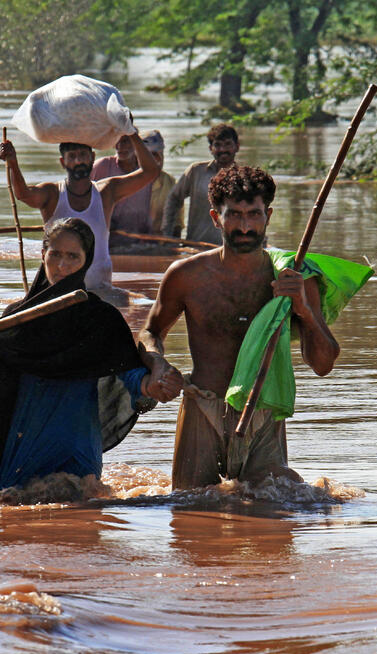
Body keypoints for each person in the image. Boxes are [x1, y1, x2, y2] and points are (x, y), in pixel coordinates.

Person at [139, 165, 341, 490]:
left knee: (279, 511)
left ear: (268, 216)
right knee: (190, 512)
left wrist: (302, 308)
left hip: (263, 410)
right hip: (202, 406)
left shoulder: (294, 277)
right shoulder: (186, 276)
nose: (245, 226)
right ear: (216, 217)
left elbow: (323, 364)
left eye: (254, 214)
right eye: (234, 214)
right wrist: (157, 363)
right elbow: (150, 333)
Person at [0, 218, 181, 508]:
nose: (62, 265)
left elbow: (128, 374)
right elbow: (0, 380)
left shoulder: (101, 319)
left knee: (79, 520)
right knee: (11, 519)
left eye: (73, 256)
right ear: (42, 255)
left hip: (76, 445)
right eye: (56, 254)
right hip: (23, 442)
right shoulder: (15, 318)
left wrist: (153, 385)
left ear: (87, 261)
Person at [0, 128, 159, 290]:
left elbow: (150, 171)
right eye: (72, 156)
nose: (78, 161)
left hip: (99, 291)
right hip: (58, 291)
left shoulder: (106, 192)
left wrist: (130, 132)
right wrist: (13, 163)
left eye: (83, 155)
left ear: (92, 158)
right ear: (62, 162)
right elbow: (24, 194)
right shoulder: (52, 193)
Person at [163, 123, 240, 245]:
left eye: (227, 144)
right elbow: (174, 198)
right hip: (196, 247)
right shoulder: (196, 171)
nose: (223, 150)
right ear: (210, 149)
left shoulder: (244, 178)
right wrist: (168, 235)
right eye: (217, 145)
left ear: (237, 147)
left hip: (231, 250)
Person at [90, 133, 158, 251]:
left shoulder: (145, 173)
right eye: (117, 141)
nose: (120, 147)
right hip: (106, 242)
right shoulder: (103, 166)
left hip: (137, 242)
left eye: (126, 141)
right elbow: (87, 202)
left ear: (136, 144)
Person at [142, 130, 181, 235]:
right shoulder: (129, 181)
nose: (157, 160)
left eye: (159, 155)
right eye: (151, 155)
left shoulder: (171, 183)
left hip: (161, 242)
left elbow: (177, 225)